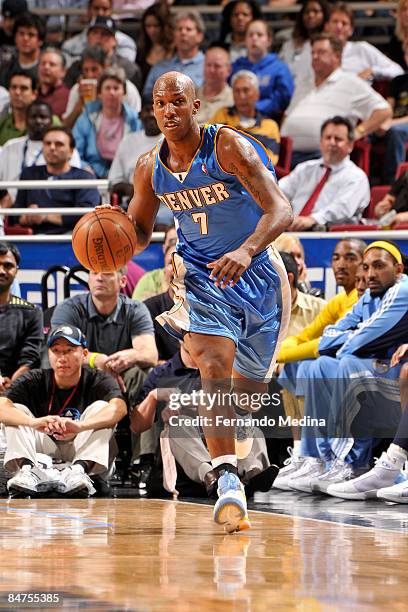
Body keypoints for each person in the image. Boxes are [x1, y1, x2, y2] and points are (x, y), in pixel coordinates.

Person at [127, 71, 292, 533]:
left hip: (257, 271)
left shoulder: (227, 147)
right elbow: (139, 231)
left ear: (196, 106)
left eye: (177, 101)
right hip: (201, 274)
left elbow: (281, 209)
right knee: (212, 362)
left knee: (246, 399)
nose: (168, 111)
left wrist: (246, 249)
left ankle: (231, 453)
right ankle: (227, 479)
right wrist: (116, 238)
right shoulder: (148, 167)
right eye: (160, 104)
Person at [290, 241, 408, 495]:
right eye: (366, 267)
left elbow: (361, 338)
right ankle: (318, 459)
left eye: (378, 266)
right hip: (379, 368)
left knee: (347, 363)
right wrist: (346, 341)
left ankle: (351, 462)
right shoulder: (368, 298)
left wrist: (345, 343)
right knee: (317, 366)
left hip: (395, 373)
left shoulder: (402, 290)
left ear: (398, 269)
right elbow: (328, 337)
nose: (370, 274)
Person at [0, 324, 127, 497]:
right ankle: (27, 471)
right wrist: (33, 422)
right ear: (49, 354)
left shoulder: (98, 379)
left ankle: (78, 472)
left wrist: (81, 426)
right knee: (16, 411)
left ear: (83, 354)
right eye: (56, 350)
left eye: (69, 350)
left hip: (80, 447)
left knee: (102, 408)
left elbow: (119, 409)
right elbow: (2, 407)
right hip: (42, 450)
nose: (62, 357)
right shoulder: (33, 379)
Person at [51, 265, 158, 408]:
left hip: (122, 374)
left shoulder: (135, 310)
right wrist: (96, 359)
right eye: (94, 273)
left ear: (123, 281)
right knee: (63, 367)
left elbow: (151, 355)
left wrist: (133, 356)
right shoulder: (69, 308)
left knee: (145, 372)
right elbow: (60, 352)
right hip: (83, 372)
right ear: (88, 280)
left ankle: (136, 426)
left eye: (107, 273)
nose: (99, 278)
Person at [281, 34, 392, 167]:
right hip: (285, 154)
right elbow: (287, 116)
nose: (315, 57)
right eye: (313, 53)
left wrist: (357, 132)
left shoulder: (350, 82)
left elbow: (384, 110)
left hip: (323, 157)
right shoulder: (304, 84)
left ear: (337, 57)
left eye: (321, 52)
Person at [279, 116, 370, 230]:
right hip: (291, 230)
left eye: (338, 139)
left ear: (350, 145)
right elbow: (278, 193)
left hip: (330, 235)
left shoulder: (356, 177)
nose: (332, 143)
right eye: (328, 138)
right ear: (321, 142)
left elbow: (343, 208)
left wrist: (313, 219)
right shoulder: (304, 168)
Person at [13, 126, 100, 234]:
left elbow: (88, 214)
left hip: (72, 237)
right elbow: (16, 213)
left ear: (71, 151)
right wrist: (27, 217)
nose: (52, 148)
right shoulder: (29, 174)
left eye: (59, 144)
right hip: (34, 237)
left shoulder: (85, 177)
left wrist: (46, 216)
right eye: (47, 143)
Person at [0, 101, 81, 203]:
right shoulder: (10, 147)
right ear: (26, 120)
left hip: (51, 205)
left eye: (43, 117)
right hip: (12, 207)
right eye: (33, 117)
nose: (38, 121)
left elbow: (74, 180)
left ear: (51, 121)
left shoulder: (65, 149)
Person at [73, 68, 141, 178]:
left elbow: (141, 153)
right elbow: (75, 151)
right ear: (99, 93)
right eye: (107, 88)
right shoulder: (86, 117)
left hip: (126, 175)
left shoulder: (135, 120)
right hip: (92, 174)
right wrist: (84, 167)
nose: (112, 92)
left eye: (116, 88)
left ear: (124, 93)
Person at [62, 46, 141, 130]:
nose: (90, 75)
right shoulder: (78, 90)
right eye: (86, 70)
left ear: (106, 67)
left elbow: (136, 125)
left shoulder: (127, 88)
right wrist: (79, 105)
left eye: (94, 69)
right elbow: (66, 126)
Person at [211, 70, 280, 165]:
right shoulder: (222, 114)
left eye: (246, 90)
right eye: (237, 91)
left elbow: (270, 161)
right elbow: (208, 146)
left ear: (257, 94)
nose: (241, 96)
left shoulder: (269, 125)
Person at [0, 241, 43, 394]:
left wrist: (11, 386)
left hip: (15, 389)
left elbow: (31, 358)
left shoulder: (31, 312)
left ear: (16, 271)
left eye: (8, 266)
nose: (2, 271)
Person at [231, 20, 294, 118]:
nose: (254, 38)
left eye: (259, 35)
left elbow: (282, 99)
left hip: (267, 119)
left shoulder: (279, 68)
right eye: (250, 35)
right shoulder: (236, 66)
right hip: (235, 119)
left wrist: (254, 108)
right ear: (245, 40)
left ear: (269, 41)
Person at [325, 4, 403, 83]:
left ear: (351, 30)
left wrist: (373, 71)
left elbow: (398, 71)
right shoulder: (317, 51)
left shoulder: (362, 48)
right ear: (326, 26)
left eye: (344, 23)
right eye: (335, 22)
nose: (339, 26)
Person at [64, 16, 141, 90]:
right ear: (87, 38)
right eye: (95, 33)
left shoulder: (128, 68)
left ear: (114, 41)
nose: (99, 37)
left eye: (105, 34)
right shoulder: (76, 67)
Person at [143, 11, 205, 98]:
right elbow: (147, 99)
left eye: (188, 29)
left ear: (200, 36)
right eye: (179, 29)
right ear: (173, 35)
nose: (183, 33)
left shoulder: (210, 67)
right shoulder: (159, 68)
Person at [62, 0, 136, 67]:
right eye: (96, 8)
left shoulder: (126, 43)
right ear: (88, 10)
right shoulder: (70, 46)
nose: (100, 13)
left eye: (105, 9)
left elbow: (127, 70)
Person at [279, 0, 330, 82]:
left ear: (324, 14)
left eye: (315, 11)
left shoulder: (330, 43)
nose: (310, 15)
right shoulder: (289, 44)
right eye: (307, 12)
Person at [132, 225, 178, 302]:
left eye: (181, 241)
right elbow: (139, 309)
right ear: (164, 248)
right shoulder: (149, 279)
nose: (177, 245)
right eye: (172, 241)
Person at [0, 13, 45, 89]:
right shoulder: (5, 70)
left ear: (40, 40)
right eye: (21, 33)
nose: (25, 39)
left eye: (31, 35)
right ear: (15, 38)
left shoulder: (46, 69)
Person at [136, 4, 174, 89]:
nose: (152, 30)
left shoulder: (175, 50)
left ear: (165, 26)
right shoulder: (142, 51)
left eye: (156, 26)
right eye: (148, 26)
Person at [196, 46, 233, 126]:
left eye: (217, 66)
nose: (211, 70)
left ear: (228, 70)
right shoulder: (191, 95)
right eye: (208, 65)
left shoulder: (233, 99)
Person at [0, 71, 37, 146]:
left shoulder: (48, 121)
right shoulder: (2, 123)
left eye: (24, 88)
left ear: (34, 94)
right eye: (13, 87)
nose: (17, 92)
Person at [36, 47, 70, 119]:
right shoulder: (32, 94)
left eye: (52, 64)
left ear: (63, 71)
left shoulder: (68, 96)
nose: (46, 67)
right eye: (43, 63)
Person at [0, 0, 28, 65]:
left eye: (12, 19)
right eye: (5, 18)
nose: (7, 24)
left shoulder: (33, 37)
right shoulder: (1, 34)